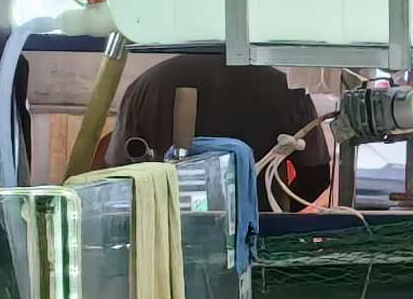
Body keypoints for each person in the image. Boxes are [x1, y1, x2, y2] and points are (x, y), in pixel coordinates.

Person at [112, 48, 334, 208]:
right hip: (261, 237)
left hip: (170, 238)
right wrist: (273, 216)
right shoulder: (286, 88)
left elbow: (117, 176)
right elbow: (316, 176)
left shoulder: (148, 84)